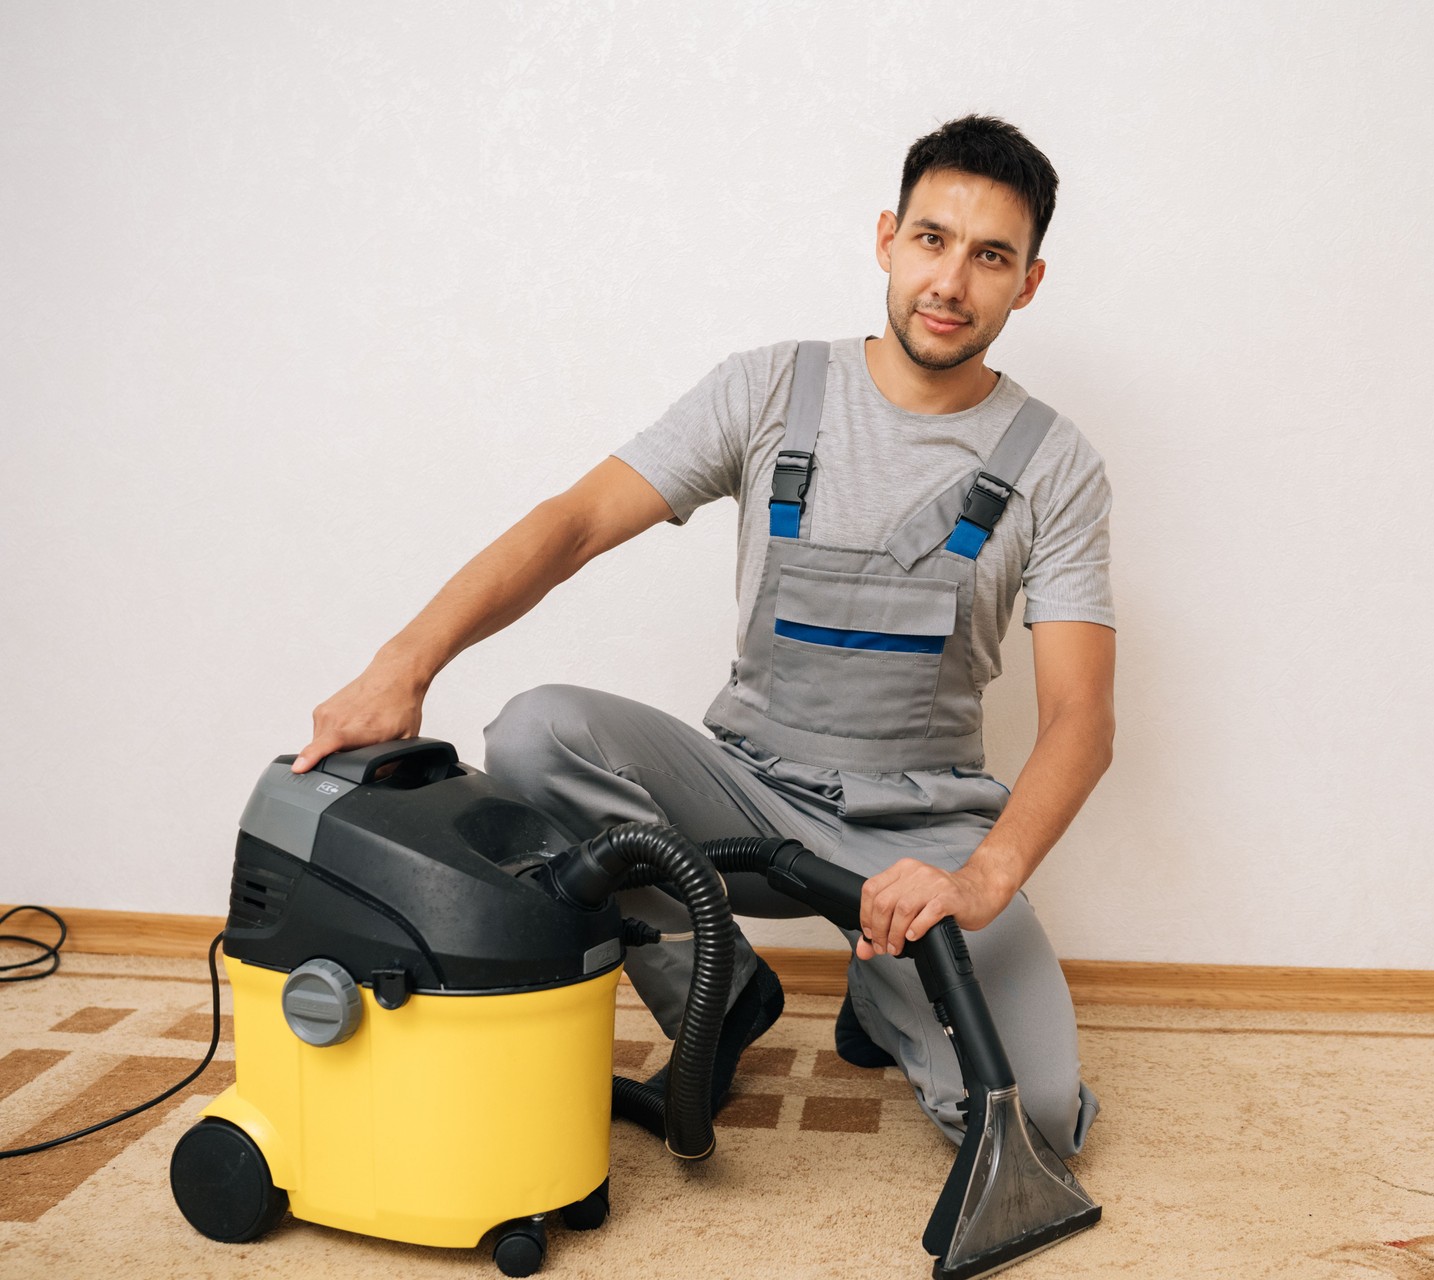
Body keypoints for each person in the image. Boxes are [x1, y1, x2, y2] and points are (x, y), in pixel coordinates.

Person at [290, 114, 1115, 1158]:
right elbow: (576, 519)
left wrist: (980, 879)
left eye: (990, 255)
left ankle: (887, 980)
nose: (951, 281)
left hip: (918, 844)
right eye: (931, 239)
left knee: (1032, 1124)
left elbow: (1083, 717)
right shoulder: (773, 389)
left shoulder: (1054, 462)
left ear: (1028, 281)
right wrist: (400, 666)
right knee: (539, 731)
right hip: (747, 804)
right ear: (885, 238)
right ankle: (713, 989)